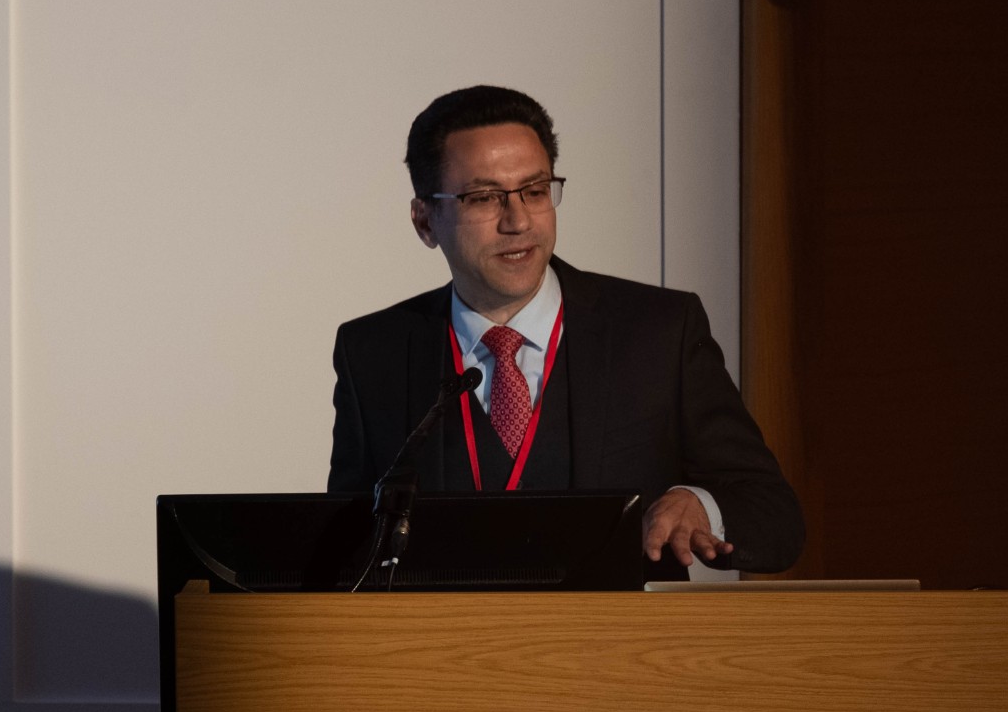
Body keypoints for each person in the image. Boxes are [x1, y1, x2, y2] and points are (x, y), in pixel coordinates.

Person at [328, 85, 803, 576]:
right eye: (484, 198)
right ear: (425, 221)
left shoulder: (659, 332)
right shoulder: (374, 354)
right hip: (443, 629)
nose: (518, 222)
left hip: (620, 628)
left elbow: (775, 513)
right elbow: (340, 551)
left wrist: (702, 504)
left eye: (535, 191)